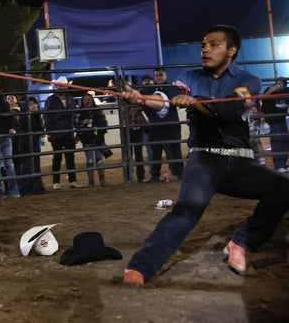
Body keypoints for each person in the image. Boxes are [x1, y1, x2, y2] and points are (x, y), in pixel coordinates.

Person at [121, 24, 289, 285]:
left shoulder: (249, 81)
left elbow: (231, 112)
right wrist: (141, 99)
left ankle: (242, 242)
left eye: (214, 45)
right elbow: (166, 97)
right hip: (204, 160)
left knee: (282, 189)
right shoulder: (189, 76)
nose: (205, 50)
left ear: (231, 50)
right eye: (203, 45)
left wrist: (195, 103)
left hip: (240, 163)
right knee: (186, 211)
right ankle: (140, 268)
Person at [140, 67, 185, 182]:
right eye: (156, 75)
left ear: (166, 75)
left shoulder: (173, 88)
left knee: (176, 149)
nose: (159, 77)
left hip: (171, 124)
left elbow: (176, 102)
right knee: (156, 151)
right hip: (156, 126)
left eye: (160, 75)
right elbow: (139, 100)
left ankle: (180, 173)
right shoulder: (148, 90)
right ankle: (155, 175)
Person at [43, 76, 82, 189]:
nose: (61, 87)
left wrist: (76, 129)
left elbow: (75, 115)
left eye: (63, 85)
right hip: (57, 133)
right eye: (60, 85)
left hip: (68, 132)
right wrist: (49, 132)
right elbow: (47, 117)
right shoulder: (51, 100)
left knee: (69, 156)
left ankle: (72, 180)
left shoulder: (70, 99)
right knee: (58, 157)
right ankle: (56, 182)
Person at [77, 92, 109, 187]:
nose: (87, 101)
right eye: (85, 100)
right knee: (90, 160)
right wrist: (83, 122)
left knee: (99, 160)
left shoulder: (97, 110)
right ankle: (92, 181)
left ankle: (99, 181)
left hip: (97, 138)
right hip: (88, 138)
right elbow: (75, 124)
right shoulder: (80, 112)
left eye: (88, 99)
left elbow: (105, 124)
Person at [261, 78, 289, 171]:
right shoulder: (270, 90)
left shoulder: (286, 91)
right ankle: (278, 166)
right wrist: (270, 90)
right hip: (272, 120)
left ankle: (284, 164)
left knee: (285, 141)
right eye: (278, 84)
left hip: (282, 119)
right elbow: (262, 98)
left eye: (282, 84)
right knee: (277, 141)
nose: (279, 86)